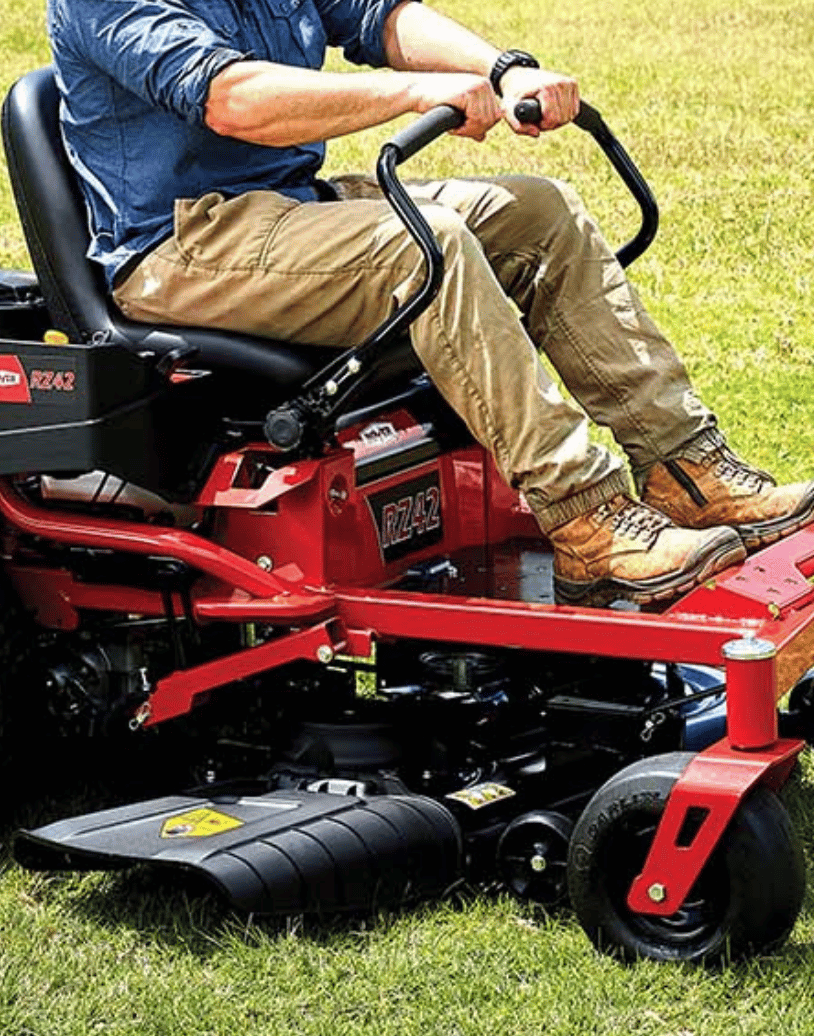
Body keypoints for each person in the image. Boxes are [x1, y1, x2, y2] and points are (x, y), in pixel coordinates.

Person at [46, 0, 814, 606]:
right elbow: (234, 101)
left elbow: (378, 15)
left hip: (288, 208)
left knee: (537, 213)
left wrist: (503, 68)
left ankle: (687, 469)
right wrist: (418, 92)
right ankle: (586, 517)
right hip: (183, 247)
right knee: (426, 245)